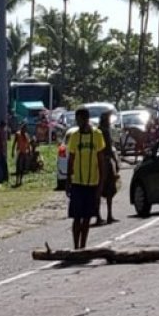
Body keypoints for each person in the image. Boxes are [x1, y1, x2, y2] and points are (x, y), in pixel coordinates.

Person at [65, 107, 106, 251]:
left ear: (86, 119)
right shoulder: (75, 136)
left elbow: (101, 160)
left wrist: (101, 183)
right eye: (77, 120)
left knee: (87, 217)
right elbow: (71, 159)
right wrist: (68, 180)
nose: (78, 122)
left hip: (92, 182)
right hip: (77, 182)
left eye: (80, 120)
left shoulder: (97, 135)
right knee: (77, 217)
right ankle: (76, 247)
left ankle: (83, 246)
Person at [98, 111, 119, 224]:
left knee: (99, 188)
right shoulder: (105, 131)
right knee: (109, 187)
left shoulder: (97, 131)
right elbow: (109, 148)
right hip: (106, 160)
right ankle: (109, 215)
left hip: (98, 162)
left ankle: (99, 215)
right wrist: (115, 160)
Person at [13, 123, 33, 187]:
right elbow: (14, 143)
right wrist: (12, 151)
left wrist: (29, 151)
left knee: (23, 168)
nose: (24, 129)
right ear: (22, 128)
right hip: (19, 152)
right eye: (23, 128)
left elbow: (28, 144)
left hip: (24, 153)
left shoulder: (26, 135)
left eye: (25, 128)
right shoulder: (18, 134)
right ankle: (17, 180)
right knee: (18, 167)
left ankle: (21, 180)